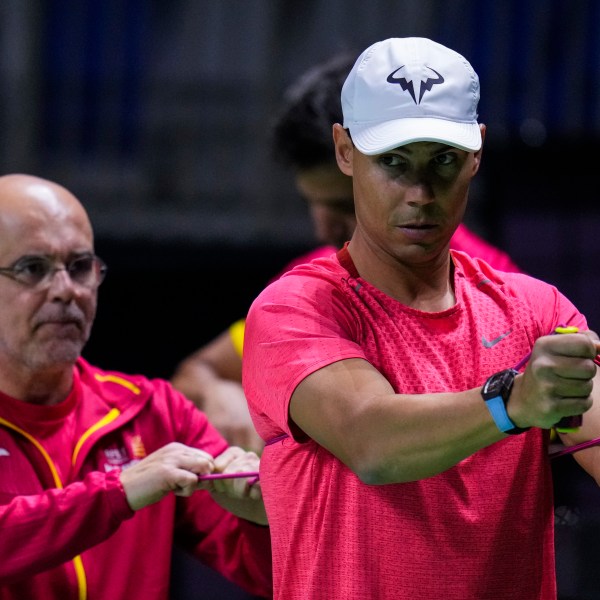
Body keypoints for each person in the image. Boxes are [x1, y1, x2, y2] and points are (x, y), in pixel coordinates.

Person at [242, 37, 600, 600]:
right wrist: (516, 401)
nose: (420, 192)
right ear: (344, 151)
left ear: (476, 153)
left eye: (443, 161)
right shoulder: (293, 310)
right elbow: (372, 443)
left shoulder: (540, 311)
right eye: (393, 162)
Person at [171, 50, 521, 454]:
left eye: (342, 205)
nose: (323, 228)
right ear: (344, 150)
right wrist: (221, 395)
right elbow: (199, 372)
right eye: (313, 203)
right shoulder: (305, 287)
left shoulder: (501, 292)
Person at [0, 174, 272, 600]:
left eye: (79, 267)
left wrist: (258, 516)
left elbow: (268, 575)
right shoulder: (138, 464)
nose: (66, 291)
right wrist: (118, 492)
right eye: (32, 269)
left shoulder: (154, 412)